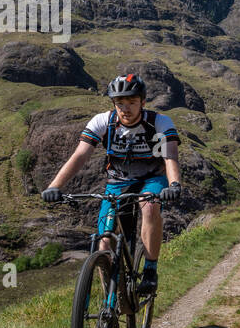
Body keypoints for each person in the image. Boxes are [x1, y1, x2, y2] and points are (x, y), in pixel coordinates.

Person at [40, 74, 182, 295]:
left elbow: (170, 156)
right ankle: (110, 297)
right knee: (104, 242)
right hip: (117, 182)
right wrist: (54, 186)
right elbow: (80, 156)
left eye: (132, 102)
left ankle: (150, 270)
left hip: (151, 178)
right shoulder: (103, 122)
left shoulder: (159, 122)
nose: (125, 108)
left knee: (150, 206)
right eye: (120, 103)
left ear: (143, 102)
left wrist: (173, 184)